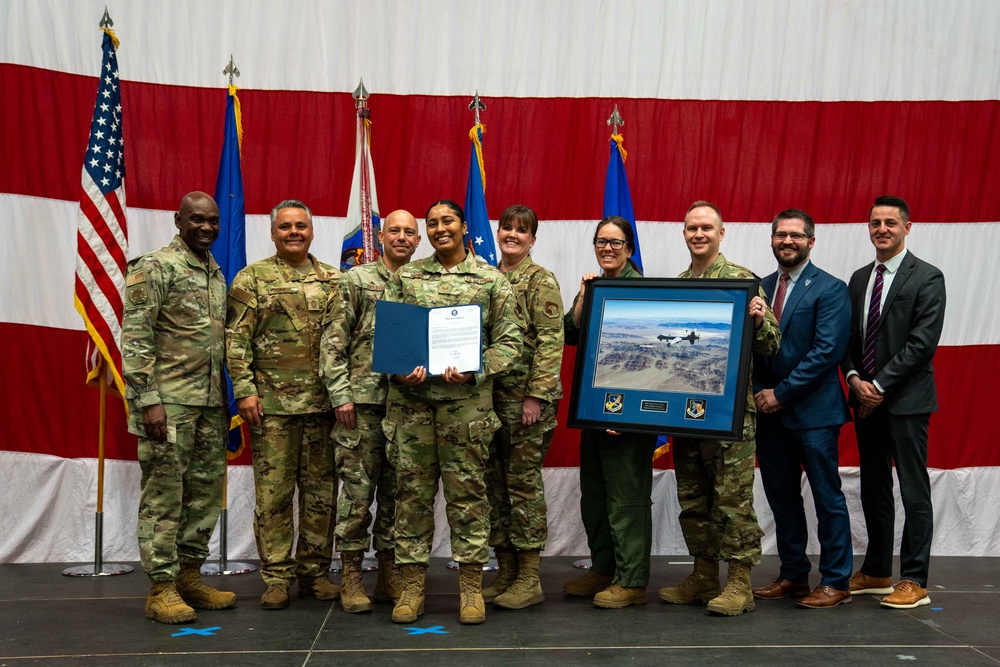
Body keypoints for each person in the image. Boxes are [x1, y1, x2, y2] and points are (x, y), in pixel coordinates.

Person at [383, 200, 522, 625]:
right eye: (432, 223)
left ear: (464, 227)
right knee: (411, 501)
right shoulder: (407, 277)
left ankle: (471, 590)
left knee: (468, 501)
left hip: (466, 411)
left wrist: (476, 370)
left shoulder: (490, 280)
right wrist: (400, 372)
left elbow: (511, 343)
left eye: (448, 221)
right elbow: (388, 339)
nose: (440, 229)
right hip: (413, 412)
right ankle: (410, 590)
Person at [658, 201, 780, 616]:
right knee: (694, 499)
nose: (699, 234)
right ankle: (704, 575)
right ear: (684, 232)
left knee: (732, 499)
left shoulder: (743, 281)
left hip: (728, 414)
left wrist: (762, 321)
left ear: (721, 233)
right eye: (692, 228)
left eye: (707, 228)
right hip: (683, 410)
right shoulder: (677, 283)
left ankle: (740, 583)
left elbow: (772, 345)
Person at [122, 191, 236, 624]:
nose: (205, 227)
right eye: (196, 220)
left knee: (203, 497)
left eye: (212, 221)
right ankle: (161, 588)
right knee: (165, 499)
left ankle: (189, 576)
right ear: (178, 220)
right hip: (167, 405)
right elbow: (135, 339)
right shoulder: (154, 266)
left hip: (209, 405)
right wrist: (148, 402)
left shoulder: (215, 271)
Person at [226, 200, 340, 610]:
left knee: (321, 495)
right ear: (273, 233)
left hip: (322, 407)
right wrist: (244, 389)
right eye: (286, 226)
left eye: (301, 226)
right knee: (273, 496)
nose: (294, 232)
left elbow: (344, 340)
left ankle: (314, 573)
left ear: (312, 231)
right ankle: (276, 576)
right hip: (270, 407)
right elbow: (235, 338)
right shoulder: (252, 278)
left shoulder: (333, 279)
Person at [841, 195, 946, 609]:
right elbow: (848, 341)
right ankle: (879, 570)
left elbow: (922, 344)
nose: (881, 229)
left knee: (913, 488)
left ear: (907, 227)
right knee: (874, 487)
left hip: (905, 401)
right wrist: (854, 380)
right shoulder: (859, 278)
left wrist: (878, 386)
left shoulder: (928, 277)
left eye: (889, 222)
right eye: (875, 223)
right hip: (865, 400)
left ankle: (915, 578)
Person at [750, 209, 854, 609]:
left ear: (811, 241)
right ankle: (793, 574)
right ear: (772, 240)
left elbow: (827, 353)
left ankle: (836, 580)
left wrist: (781, 393)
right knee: (782, 498)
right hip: (768, 413)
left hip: (813, 414)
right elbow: (752, 351)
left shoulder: (831, 288)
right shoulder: (759, 286)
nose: (787, 241)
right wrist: (762, 392)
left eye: (795, 235)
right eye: (780, 235)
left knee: (827, 498)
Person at [320, 209, 422, 613]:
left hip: (411, 407)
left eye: (409, 232)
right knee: (357, 498)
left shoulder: (424, 284)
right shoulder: (356, 281)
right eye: (394, 230)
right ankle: (350, 577)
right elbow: (333, 343)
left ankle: (389, 577)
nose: (401, 237)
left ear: (418, 241)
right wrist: (341, 395)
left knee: (399, 498)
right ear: (380, 236)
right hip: (361, 407)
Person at [562, 216, 659, 609]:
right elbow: (570, 334)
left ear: (629, 249)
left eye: (616, 243)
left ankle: (632, 580)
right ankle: (604, 567)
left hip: (626, 417)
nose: (607, 248)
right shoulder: (594, 286)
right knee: (596, 496)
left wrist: (627, 414)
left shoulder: (642, 291)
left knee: (627, 498)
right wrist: (584, 296)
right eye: (601, 241)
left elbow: (648, 356)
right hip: (594, 410)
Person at [481, 205, 564, 610]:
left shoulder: (539, 279)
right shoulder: (487, 277)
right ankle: (506, 570)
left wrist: (537, 395)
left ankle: (530, 577)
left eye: (522, 230)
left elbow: (551, 342)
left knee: (523, 488)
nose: (512, 235)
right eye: (507, 228)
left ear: (533, 239)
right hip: (487, 401)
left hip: (525, 404)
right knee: (494, 488)